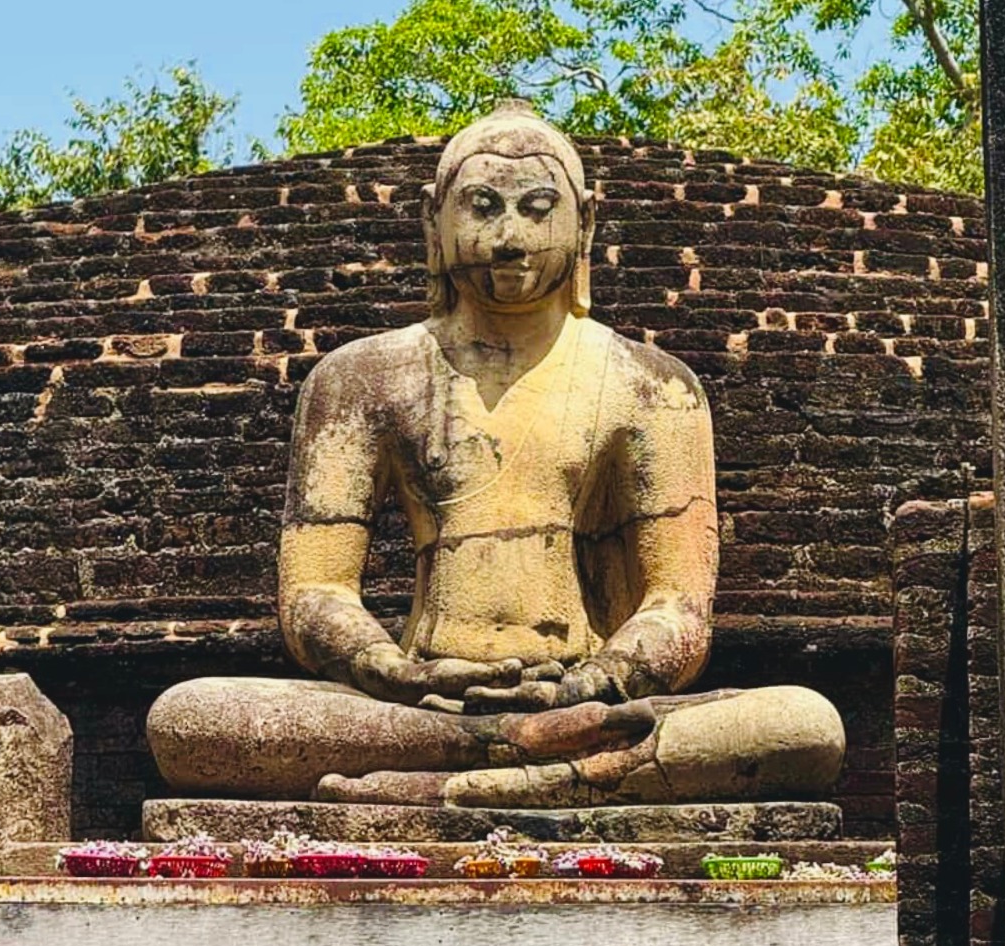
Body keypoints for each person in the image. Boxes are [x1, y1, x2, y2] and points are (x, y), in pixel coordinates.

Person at [148, 102, 844, 806]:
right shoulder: (361, 378)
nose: (510, 237)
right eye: (482, 208)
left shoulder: (653, 387)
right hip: (420, 702)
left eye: (539, 209)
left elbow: (679, 608)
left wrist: (600, 679)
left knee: (803, 724)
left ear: (586, 222)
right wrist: (388, 667)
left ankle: (483, 775)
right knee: (190, 718)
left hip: (588, 695)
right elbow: (314, 593)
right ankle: (516, 761)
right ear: (434, 220)